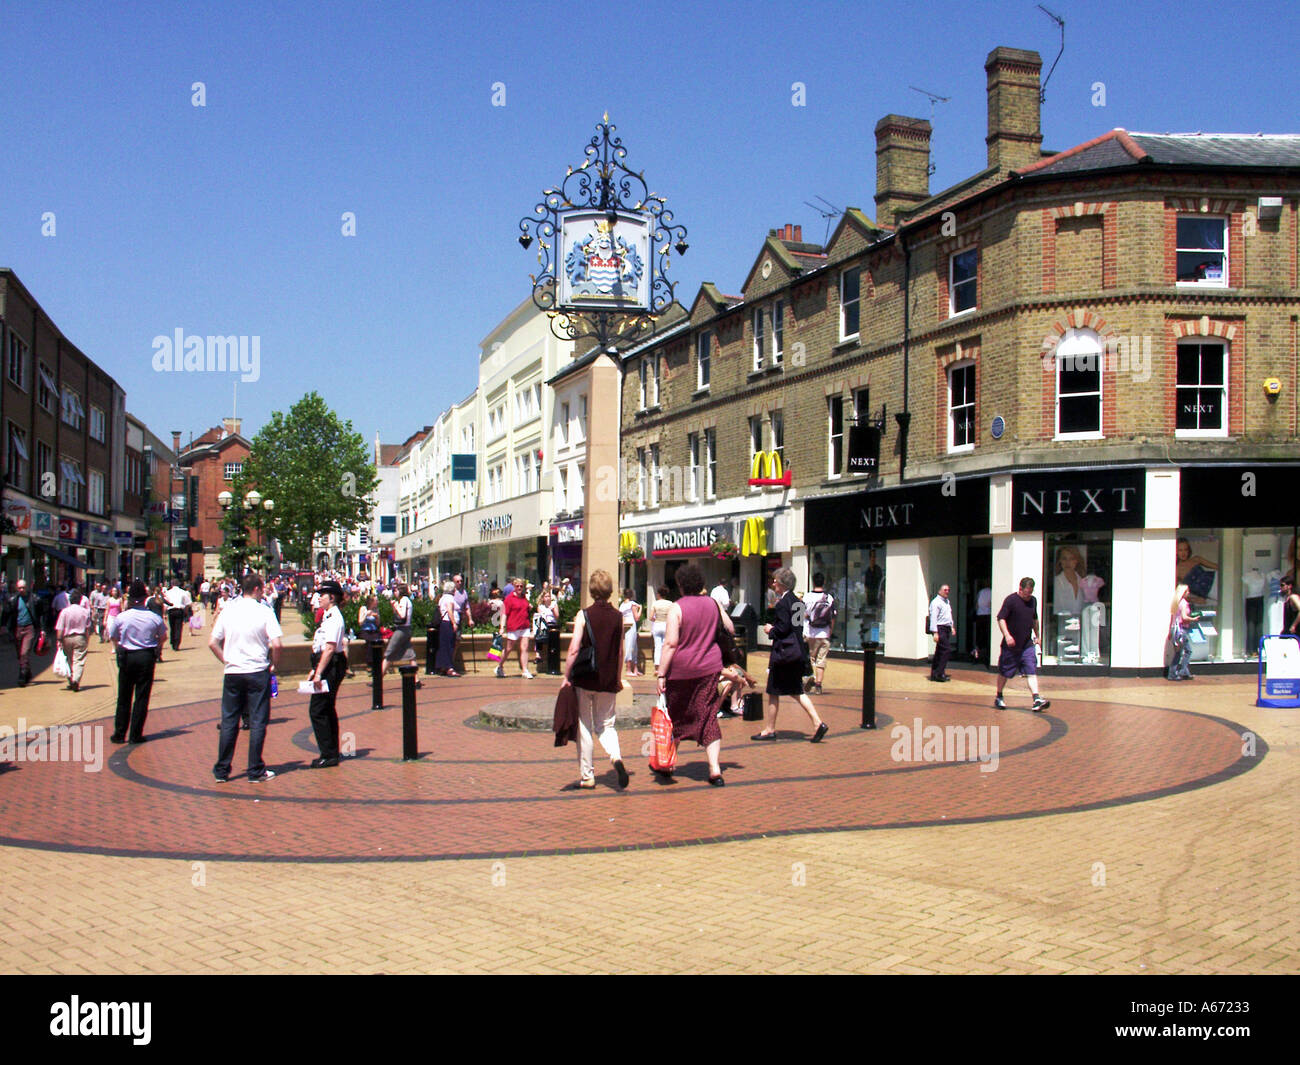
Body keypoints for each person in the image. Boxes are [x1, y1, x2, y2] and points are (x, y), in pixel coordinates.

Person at [657, 562, 733, 783]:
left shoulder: (677, 608)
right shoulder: (713, 603)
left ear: (681, 585)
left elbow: (670, 643)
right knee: (708, 715)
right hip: (709, 668)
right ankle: (715, 769)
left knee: (676, 715)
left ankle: (669, 763)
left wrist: (661, 673)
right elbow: (729, 628)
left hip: (681, 670)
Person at [209, 574, 283, 783]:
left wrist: (226, 660)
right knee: (258, 720)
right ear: (258, 589)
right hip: (257, 670)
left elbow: (212, 642)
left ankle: (222, 770)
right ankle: (255, 769)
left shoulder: (229, 609)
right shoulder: (264, 611)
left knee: (229, 720)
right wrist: (273, 665)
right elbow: (277, 644)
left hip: (233, 671)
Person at [561, 568, 627, 789]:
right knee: (607, 724)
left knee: (584, 726)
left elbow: (573, 648)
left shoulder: (584, 615)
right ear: (609, 590)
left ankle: (587, 775)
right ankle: (615, 756)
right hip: (607, 678)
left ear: (591, 590)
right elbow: (621, 652)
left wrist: (566, 675)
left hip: (585, 677)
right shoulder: (618, 617)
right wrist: (617, 678)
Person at [754, 567, 828, 743]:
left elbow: (783, 629)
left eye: (775, 580)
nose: (773, 583)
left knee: (773, 690)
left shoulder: (782, 604)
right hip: (796, 652)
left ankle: (769, 729)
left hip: (783, 654)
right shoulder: (797, 603)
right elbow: (796, 628)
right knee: (796, 690)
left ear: (781, 583)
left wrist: (770, 630)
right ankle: (817, 723)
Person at [107, 580, 167, 744]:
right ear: (145, 598)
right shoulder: (154, 618)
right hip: (146, 656)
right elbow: (163, 637)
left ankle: (119, 733)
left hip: (127, 655)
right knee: (142, 696)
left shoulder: (121, 617)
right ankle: (135, 734)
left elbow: (112, 636)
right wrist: (156, 647)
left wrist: (120, 645)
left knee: (124, 696)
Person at [306, 580, 348, 768]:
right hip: (326, 665)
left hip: (330, 666)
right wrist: (315, 669)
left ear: (331, 597)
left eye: (322, 595)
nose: (319, 598)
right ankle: (330, 751)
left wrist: (318, 673)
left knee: (318, 709)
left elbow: (330, 648)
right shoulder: (328, 616)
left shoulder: (334, 618)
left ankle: (328, 753)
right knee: (326, 708)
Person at [994, 577, 1051, 711]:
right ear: (1020, 589)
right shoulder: (1011, 600)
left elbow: (1034, 619)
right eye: (1026, 592)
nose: (1028, 596)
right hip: (1011, 646)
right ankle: (999, 696)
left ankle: (1036, 699)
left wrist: (1038, 636)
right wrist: (1007, 635)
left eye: (1030, 592)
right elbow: (1001, 618)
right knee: (1005, 672)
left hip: (1027, 644)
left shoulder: (1033, 601)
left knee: (1031, 670)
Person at [3, 579, 41, 686]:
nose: (21, 590)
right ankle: (27, 672)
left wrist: (42, 629)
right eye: (19, 588)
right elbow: (6, 612)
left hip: (29, 628)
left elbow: (40, 614)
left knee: (24, 652)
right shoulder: (13, 600)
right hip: (18, 629)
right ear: (17, 588)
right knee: (20, 654)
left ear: (27, 587)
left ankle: (22, 674)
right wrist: (3, 625)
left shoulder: (34, 599)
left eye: (23, 587)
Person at [803, 572, 836, 695]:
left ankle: (810, 678)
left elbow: (799, 615)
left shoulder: (806, 597)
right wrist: (830, 630)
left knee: (811, 658)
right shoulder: (829, 598)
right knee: (821, 659)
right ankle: (818, 685)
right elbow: (833, 616)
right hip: (824, 633)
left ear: (813, 582)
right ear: (824, 582)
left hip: (810, 633)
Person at [55, 589, 92, 692]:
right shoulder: (85, 612)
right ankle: (76, 680)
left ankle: (71, 680)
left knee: (68, 660)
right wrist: (87, 639)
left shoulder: (64, 612)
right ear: (80, 600)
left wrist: (59, 640)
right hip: (80, 637)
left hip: (67, 638)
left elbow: (60, 628)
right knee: (79, 660)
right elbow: (88, 628)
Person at [497, 578, 533, 679]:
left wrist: (529, 606)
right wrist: (502, 627)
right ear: (514, 586)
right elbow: (504, 613)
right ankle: (500, 666)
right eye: (517, 586)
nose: (519, 588)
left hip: (524, 626)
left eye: (521, 586)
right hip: (513, 626)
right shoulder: (509, 598)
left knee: (524, 648)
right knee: (508, 649)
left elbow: (525, 608)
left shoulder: (524, 597)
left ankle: (525, 670)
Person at [382, 582, 414, 676]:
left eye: (395, 590)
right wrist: (394, 606)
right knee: (410, 655)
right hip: (407, 629)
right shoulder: (405, 600)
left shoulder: (404, 600)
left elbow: (402, 615)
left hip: (401, 630)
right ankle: (416, 679)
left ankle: (379, 678)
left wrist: (396, 606)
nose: (394, 592)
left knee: (389, 653)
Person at [1166, 583, 1195, 682]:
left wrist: (1170, 632)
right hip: (1181, 630)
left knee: (1179, 651)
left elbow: (1172, 619)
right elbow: (1184, 617)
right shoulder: (1184, 603)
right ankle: (1177, 672)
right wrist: (1194, 618)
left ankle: (1183, 672)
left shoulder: (1176, 603)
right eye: (1187, 591)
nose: (1188, 593)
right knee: (1187, 651)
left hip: (1175, 629)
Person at [928, 582, 954, 682]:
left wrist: (951, 626)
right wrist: (935, 632)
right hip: (940, 628)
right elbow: (933, 618)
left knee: (939, 651)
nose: (947, 592)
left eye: (948, 590)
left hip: (946, 628)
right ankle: (939, 673)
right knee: (946, 650)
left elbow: (948, 615)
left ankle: (935, 673)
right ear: (940, 591)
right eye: (945, 590)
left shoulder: (947, 602)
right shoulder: (936, 603)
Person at [435, 580, 460, 676]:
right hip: (448, 623)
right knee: (449, 645)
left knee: (444, 645)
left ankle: (443, 666)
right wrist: (454, 623)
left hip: (443, 624)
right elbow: (450, 610)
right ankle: (449, 667)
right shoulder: (449, 598)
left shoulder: (442, 598)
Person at [618, 588, 643, 676]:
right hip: (632, 625)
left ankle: (635, 669)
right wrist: (641, 609)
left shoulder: (622, 605)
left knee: (632, 646)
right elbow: (637, 617)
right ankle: (629, 670)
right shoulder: (632, 604)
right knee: (631, 647)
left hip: (625, 625)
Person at [164, 578, 192, 652]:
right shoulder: (183, 592)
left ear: (172, 584)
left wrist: (164, 614)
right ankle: (177, 644)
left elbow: (165, 604)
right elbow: (188, 603)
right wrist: (186, 611)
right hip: (179, 610)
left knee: (172, 627)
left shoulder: (168, 592)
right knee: (178, 628)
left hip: (171, 610)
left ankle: (173, 642)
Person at [532, 589, 557, 670]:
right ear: (543, 598)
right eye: (546, 596)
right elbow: (541, 617)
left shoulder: (554, 605)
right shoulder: (540, 607)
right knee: (538, 634)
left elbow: (557, 616)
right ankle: (538, 655)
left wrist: (552, 610)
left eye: (549, 596)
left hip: (552, 625)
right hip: (544, 626)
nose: (547, 598)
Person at [650, 586, 672, 668]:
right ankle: (665, 665)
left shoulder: (655, 603)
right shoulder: (670, 603)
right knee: (665, 646)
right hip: (666, 625)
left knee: (657, 646)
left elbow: (651, 617)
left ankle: (657, 666)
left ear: (658, 594)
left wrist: (656, 619)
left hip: (657, 624)